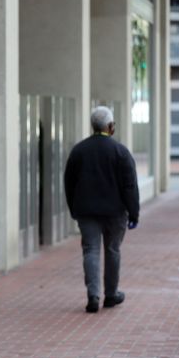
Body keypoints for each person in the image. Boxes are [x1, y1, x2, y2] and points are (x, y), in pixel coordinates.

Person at [64, 106, 139, 313]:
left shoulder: (79, 151)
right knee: (113, 250)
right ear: (110, 126)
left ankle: (93, 295)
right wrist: (134, 213)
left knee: (91, 250)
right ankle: (111, 294)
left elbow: (69, 183)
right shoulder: (120, 151)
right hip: (115, 212)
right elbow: (130, 185)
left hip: (86, 212)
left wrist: (73, 208)